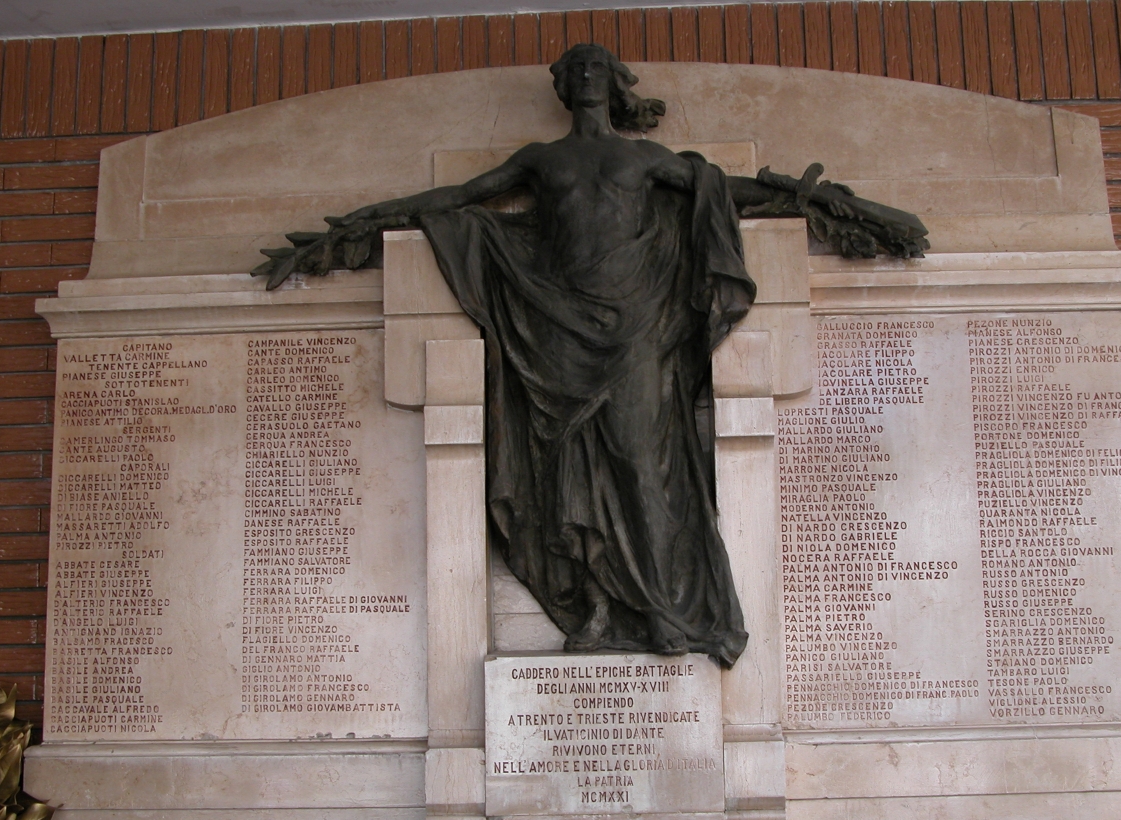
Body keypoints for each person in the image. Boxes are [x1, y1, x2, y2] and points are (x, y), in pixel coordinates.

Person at [254, 45, 928, 666]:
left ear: (614, 87)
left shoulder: (643, 161)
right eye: (574, 71)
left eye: (595, 70)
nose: (584, 78)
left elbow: (721, 189)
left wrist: (809, 201)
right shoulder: (540, 160)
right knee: (558, 473)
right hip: (555, 332)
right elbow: (459, 198)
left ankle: (662, 608)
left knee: (640, 464)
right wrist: (370, 220)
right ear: (562, 88)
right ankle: (596, 607)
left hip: (634, 327)